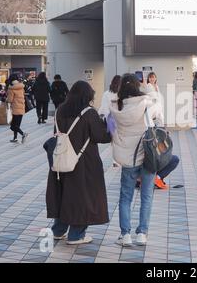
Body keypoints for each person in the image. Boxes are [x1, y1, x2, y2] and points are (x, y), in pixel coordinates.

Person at [46, 81, 112, 245]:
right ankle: (76, 235)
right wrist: (110, 125)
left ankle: (58, 230)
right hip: (83, 163)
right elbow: (100, 137)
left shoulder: (60, 109)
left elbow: (57, 133)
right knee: (83, 197)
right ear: (87, 96)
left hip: (61, 159)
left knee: (64, 194)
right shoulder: (89, 113)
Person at [110, 74, 163, 247]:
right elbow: (159, 107)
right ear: (136, 85)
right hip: (148, 157)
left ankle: (125, 235)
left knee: (125, 197)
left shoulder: (116, 106)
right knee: (146, 196)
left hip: (128, 158)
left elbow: (111, 128)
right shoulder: (145, 103)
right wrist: (149, 89)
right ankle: (142, 234)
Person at [6, 74, 28, 144]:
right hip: (21, 108)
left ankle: (23, 134)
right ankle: (15, 138)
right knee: (17, 125)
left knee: (13, 126)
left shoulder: (11, 88)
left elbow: (10, 100)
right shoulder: (21, 87)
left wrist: (6, 99)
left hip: (15, 109)